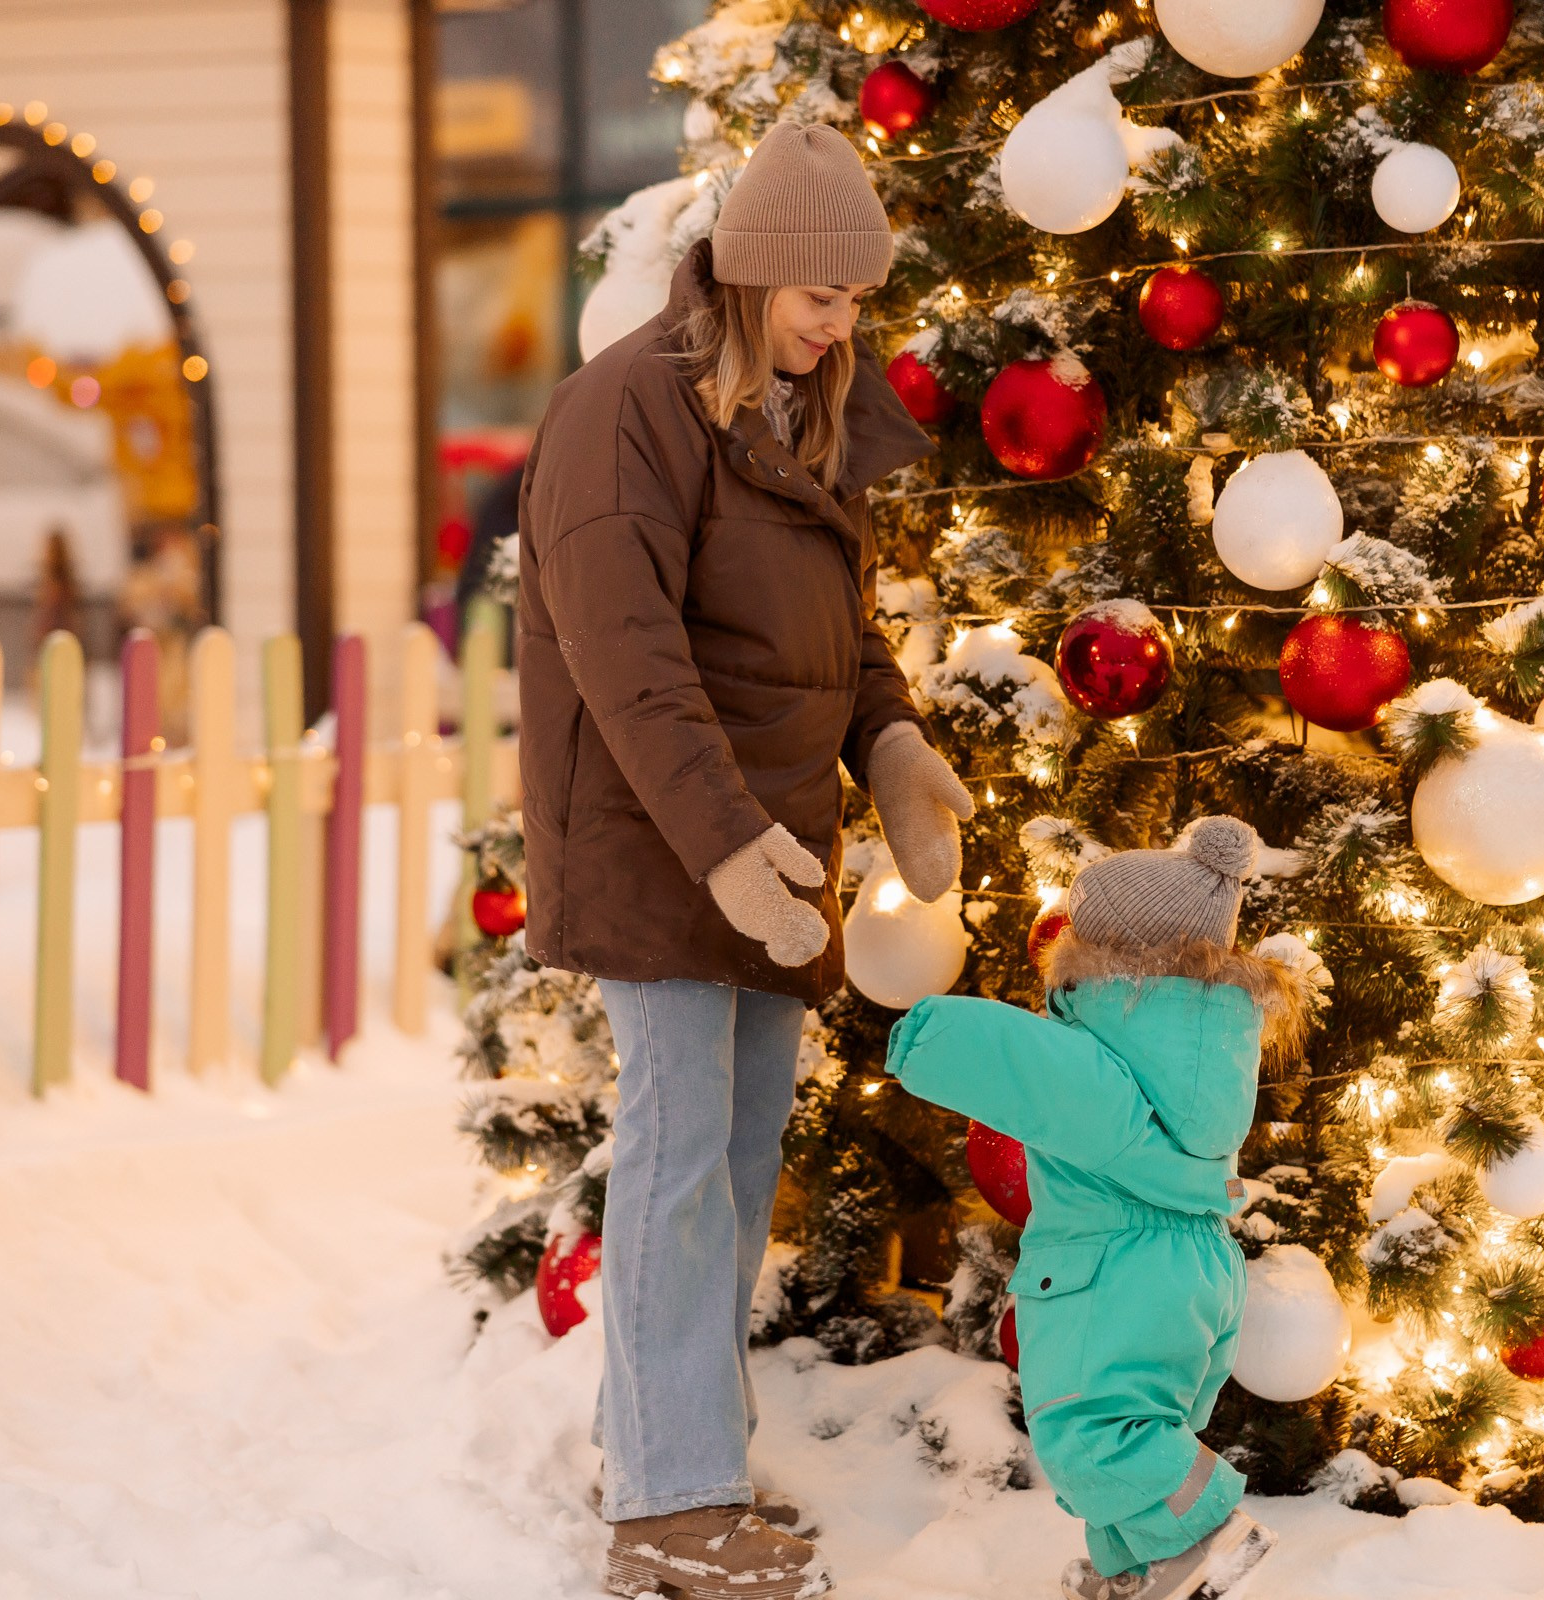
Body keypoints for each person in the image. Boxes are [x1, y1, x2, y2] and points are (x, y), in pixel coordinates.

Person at [514, 121, 975, 1600]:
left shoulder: (802, 411)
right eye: (820, 297)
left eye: (856, 301)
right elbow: (629, 660)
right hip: (664, 844)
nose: (843, 325)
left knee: (734, 1159)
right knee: (674, 1163)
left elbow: (837, 638)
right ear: (756, 270)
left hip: (770, 851)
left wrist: (891, 747)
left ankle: (670, 1451)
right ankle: (668, 1506)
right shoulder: (624, 415)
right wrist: (724, 847)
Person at [883, 818, 1304, 1600]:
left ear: (1108, 948)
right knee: (1130, 1424)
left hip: (1115, 1268)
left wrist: (918, 1034)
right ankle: (1138, 1569)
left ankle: (1207, 1531)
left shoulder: (1105, 1046)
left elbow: (1015, 1059)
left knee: (1088, 1429)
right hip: (1191, 1268)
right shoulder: (1206, 1042)